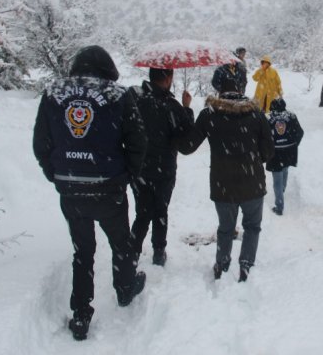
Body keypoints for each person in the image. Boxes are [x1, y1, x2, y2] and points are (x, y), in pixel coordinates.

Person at [32, 45, 147, 341]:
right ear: (108, 69)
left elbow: (40, 143)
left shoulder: (53, 94)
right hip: (109, 188)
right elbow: (138, 142)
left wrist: (56, 175)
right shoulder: (119, 96)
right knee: (122, 243)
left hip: (71, 189)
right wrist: (127, 176)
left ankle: (81, 313)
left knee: (82, 252)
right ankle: (125, 289)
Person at [186, 78, 274, 282]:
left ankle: (222, 264)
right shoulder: (256, 114)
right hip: (252, 185)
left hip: (222, 186)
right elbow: (268, 152)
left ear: (218, 88)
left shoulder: (209, 115)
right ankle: (246, 265)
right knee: (252, 226)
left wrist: (185, 110)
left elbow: (188, 145)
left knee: (225, 228)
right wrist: (252, 159)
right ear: (242, 88)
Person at [128, 68, 196, 267]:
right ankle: (159, 252)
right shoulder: (171, 106)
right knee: (160, 211)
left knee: (142, 213)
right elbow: (186, 142)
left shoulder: (134, 101)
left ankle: (131, 254)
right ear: (167, 78)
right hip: (163, 170)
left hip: (138, 169)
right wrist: (187, 109)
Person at [266, 98, 304, 215]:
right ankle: (281, 191)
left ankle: (279, 206)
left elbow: (263, 136)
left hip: (275, 153)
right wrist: (294, 144)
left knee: (277, 179)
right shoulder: (291, 116)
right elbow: (300, 132)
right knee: (285, 169)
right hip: (289, 152)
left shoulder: (268, 118)